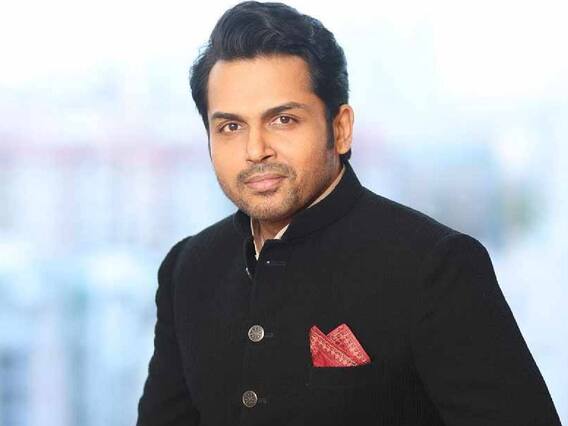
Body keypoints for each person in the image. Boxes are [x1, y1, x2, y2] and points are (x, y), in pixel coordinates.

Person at [136, 2, 562, 425]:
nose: (255, 150)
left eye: (283, 120)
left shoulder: (434, 266)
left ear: (340, 129)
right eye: (231, 127)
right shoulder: (189, 268)